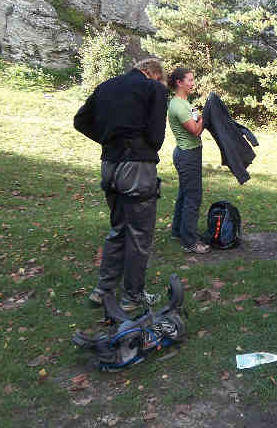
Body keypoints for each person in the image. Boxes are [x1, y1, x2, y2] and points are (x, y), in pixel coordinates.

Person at [74, 58, 168, 312]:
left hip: (110, 166)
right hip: (137, 167)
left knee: (118, 229)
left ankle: (102, 290)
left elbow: (80, 121)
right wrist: (138, 144)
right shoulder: (155, 89)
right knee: (139, 235)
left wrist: (108, 139)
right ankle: (132, 297)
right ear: (154, 75)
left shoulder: (105, 86)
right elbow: (156, 137)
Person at [167, 67, 210, 254]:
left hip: (189, 153)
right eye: (190, 80)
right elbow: (196, 130)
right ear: (179, 83)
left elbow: (197, 119)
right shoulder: (177, 105)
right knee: (193, 197)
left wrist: (202, 117)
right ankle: (190, 242)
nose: (193, 83)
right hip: (187, 155)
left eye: (193, 80)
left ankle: (178, 231)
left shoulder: (186, 103)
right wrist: (207, 116)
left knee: (185, 194)